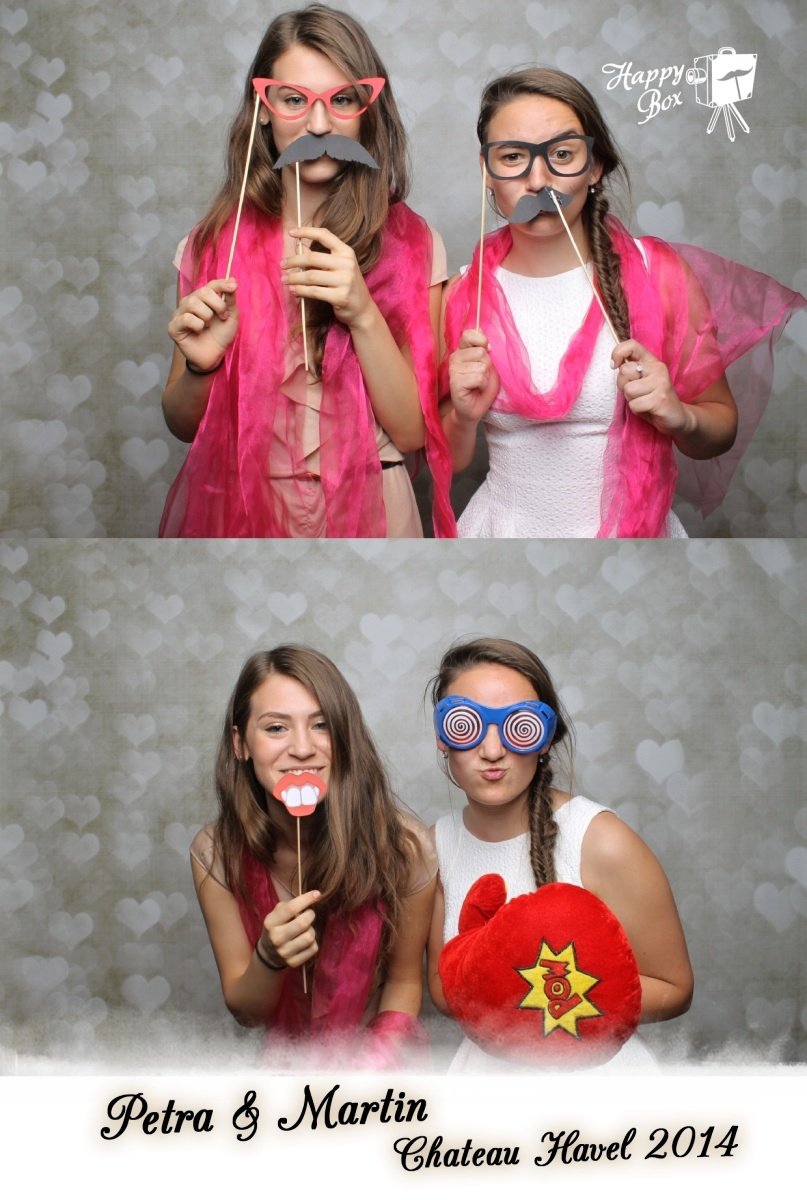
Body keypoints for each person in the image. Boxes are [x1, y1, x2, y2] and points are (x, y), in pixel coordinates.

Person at [442, 68, 804, 537]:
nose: (538, 180)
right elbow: (449, 462)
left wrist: (680, 415)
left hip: (634, 546)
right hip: (502, 539)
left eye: (562, 154)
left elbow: (719, 431)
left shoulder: (658, 274)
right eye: (513, 157)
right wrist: (463, 417)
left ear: (594, 166)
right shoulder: (464, 294)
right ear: (486, 171)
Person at [160, 4, 453, 538]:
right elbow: (182, 427)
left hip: (374, 504)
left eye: (342, 100)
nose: (319, 125)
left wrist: (361, 312)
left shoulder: (416, 245)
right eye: (294, 100)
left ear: (367, 110)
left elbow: (413, 434)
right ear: (263, 108)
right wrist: (202, 370)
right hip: (245, 508)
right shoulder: (211, 247)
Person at [426, 637, 693, 1071]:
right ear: (443, 736)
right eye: (466, 724)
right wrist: (500, 985)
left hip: (596, 1095)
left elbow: (675, 988)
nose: (492, 751)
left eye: (519, 725)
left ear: (544, 739)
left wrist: (557, 997)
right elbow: (443, 992)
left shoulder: (600, 840)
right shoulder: (435, 847)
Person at [190, 645, 436, 1068]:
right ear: (240, 743)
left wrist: (367, 1073)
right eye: (276, 728)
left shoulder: (405, 847)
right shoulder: (215, 853)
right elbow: (247, 1013)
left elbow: (404, 982)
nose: (302, 748)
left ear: (344, 738)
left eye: (321, 725)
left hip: (381, 1068)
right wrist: (269, 957)